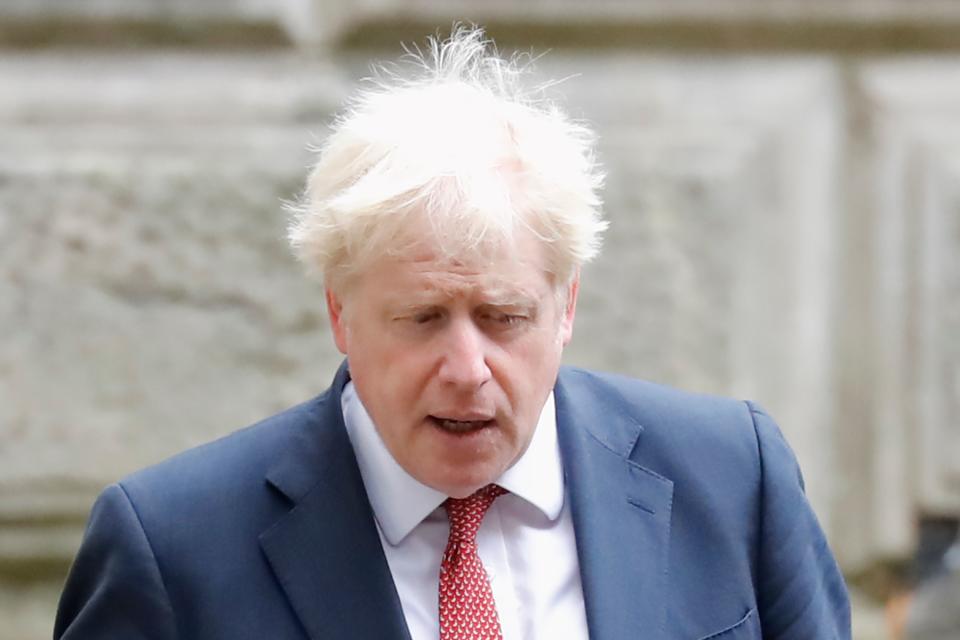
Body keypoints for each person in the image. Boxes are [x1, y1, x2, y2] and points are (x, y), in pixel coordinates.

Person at [54, 26, 850, 640]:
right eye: (423, 318)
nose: (467, 367)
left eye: (505, 318)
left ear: (566, 304)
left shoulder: (733, 478)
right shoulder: (172, 548)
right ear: (340, 312)